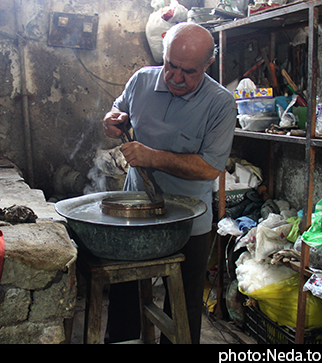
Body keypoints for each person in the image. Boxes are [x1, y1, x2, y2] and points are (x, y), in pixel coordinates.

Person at [102, 22, 237, 344]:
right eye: (170, 66)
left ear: (208, 65)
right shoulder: (142, 80)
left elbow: (209, 168)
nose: (176, 78)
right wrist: (112, 120)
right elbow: (119, 110)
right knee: (124, 291)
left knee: (183, 302)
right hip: (136, 209)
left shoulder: (220, 103)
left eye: (188, 72)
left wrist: (153, 157)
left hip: (189, 220)